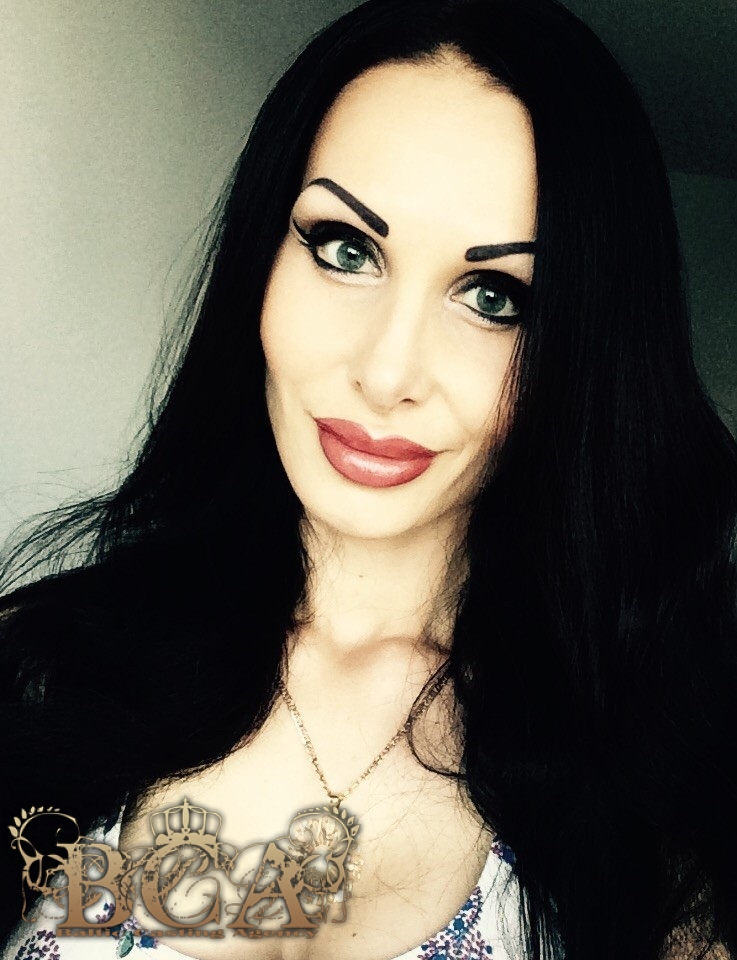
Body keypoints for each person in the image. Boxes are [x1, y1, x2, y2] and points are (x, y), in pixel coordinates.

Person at [1, 0, 736, 957]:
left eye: (494, 296)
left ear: (587, 352)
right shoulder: (44, 666)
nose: (387, 374)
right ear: (261, 258)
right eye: (347, 250)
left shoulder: (667, 764)